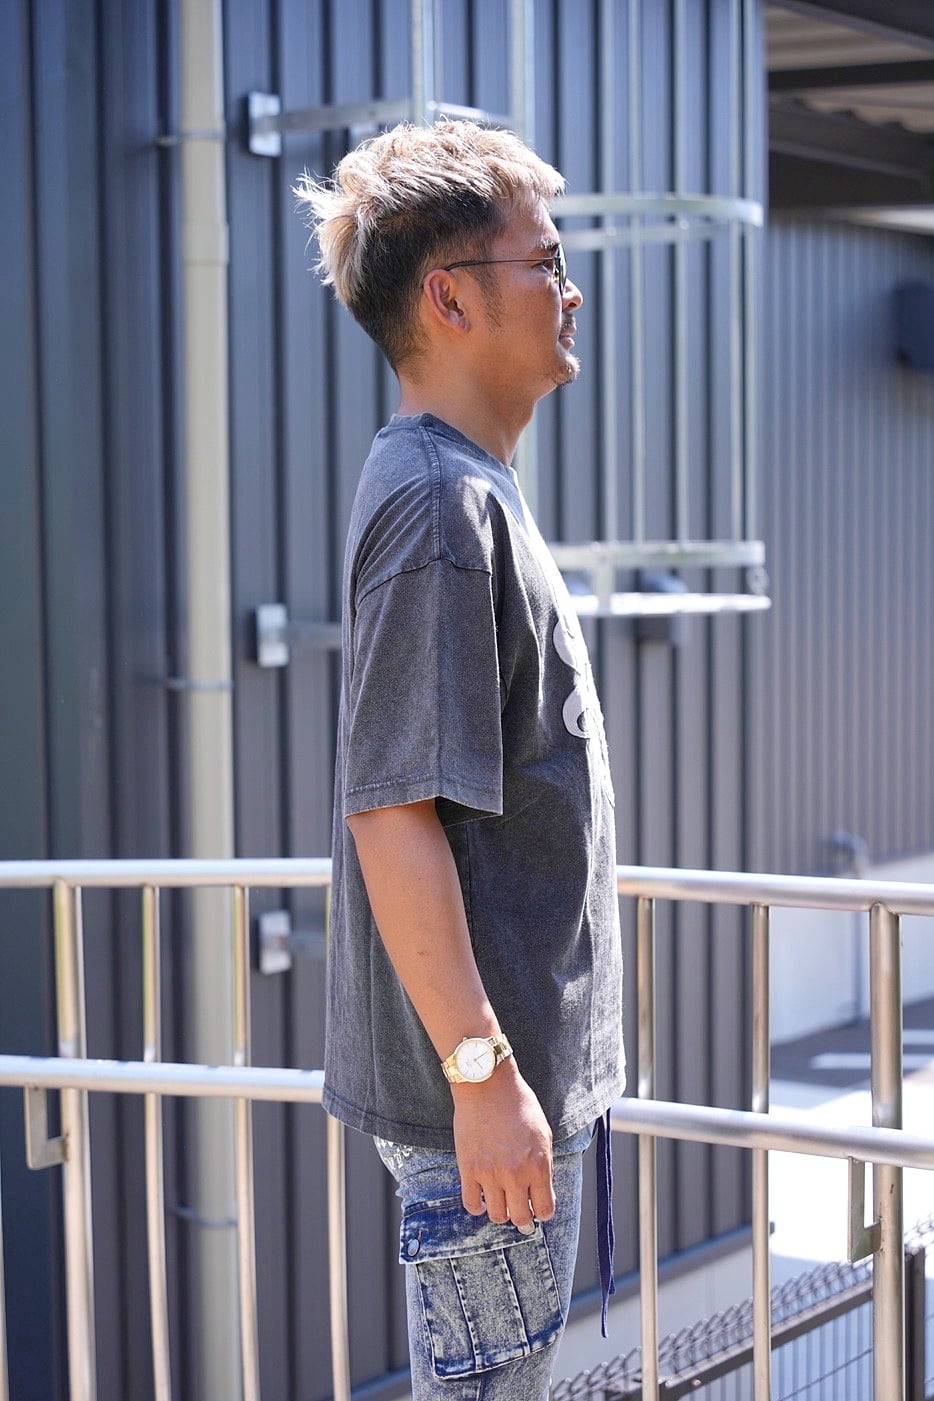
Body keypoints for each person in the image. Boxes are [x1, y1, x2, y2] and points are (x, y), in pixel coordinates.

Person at [296, 119, 625, 1401]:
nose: (568, 288)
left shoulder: (464, 488)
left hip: (496, 1095)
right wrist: (484, 1081)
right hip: (480, 1108)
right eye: (544, 262)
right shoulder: (439, 504)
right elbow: (391, 812)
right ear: (448, 299)